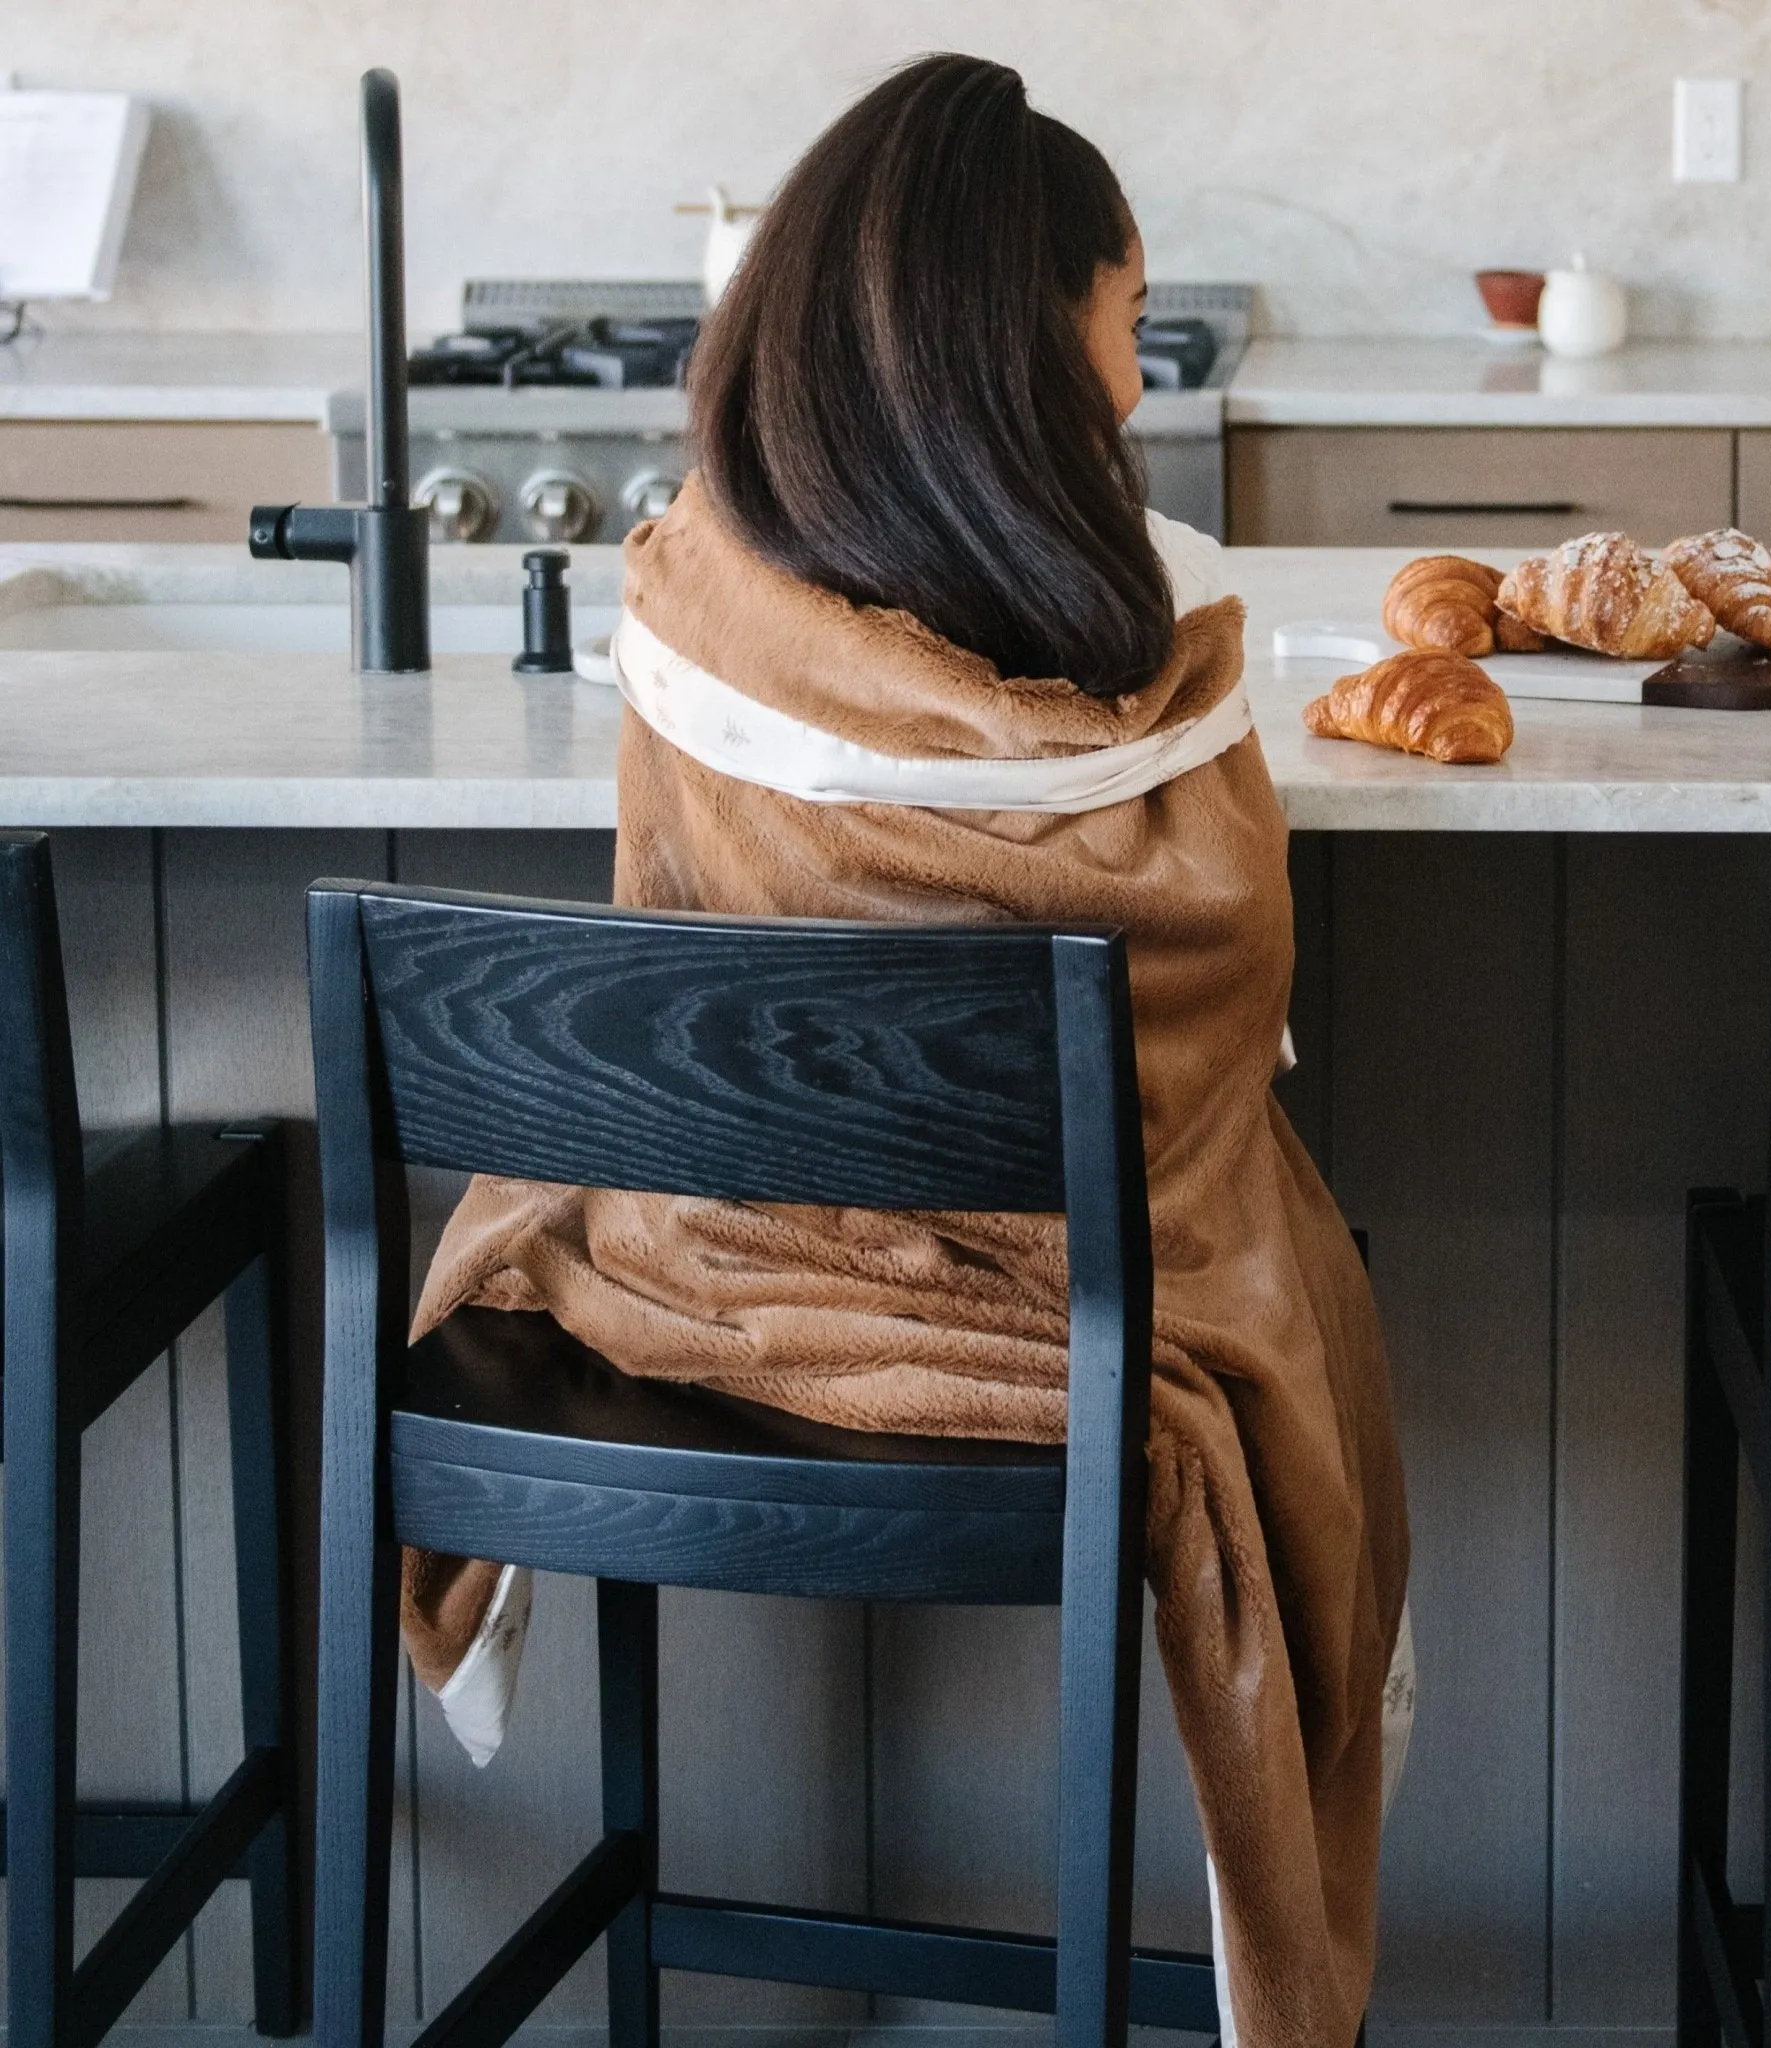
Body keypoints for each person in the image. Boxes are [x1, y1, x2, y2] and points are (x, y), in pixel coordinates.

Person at [407, 52, 1408, 2048]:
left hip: (694, 1269)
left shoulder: (689, 607)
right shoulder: (1165, 690)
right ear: (1042, 338)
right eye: (1127, 324)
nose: (1133, 386)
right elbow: (1206, 1050)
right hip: (1083, 1343)